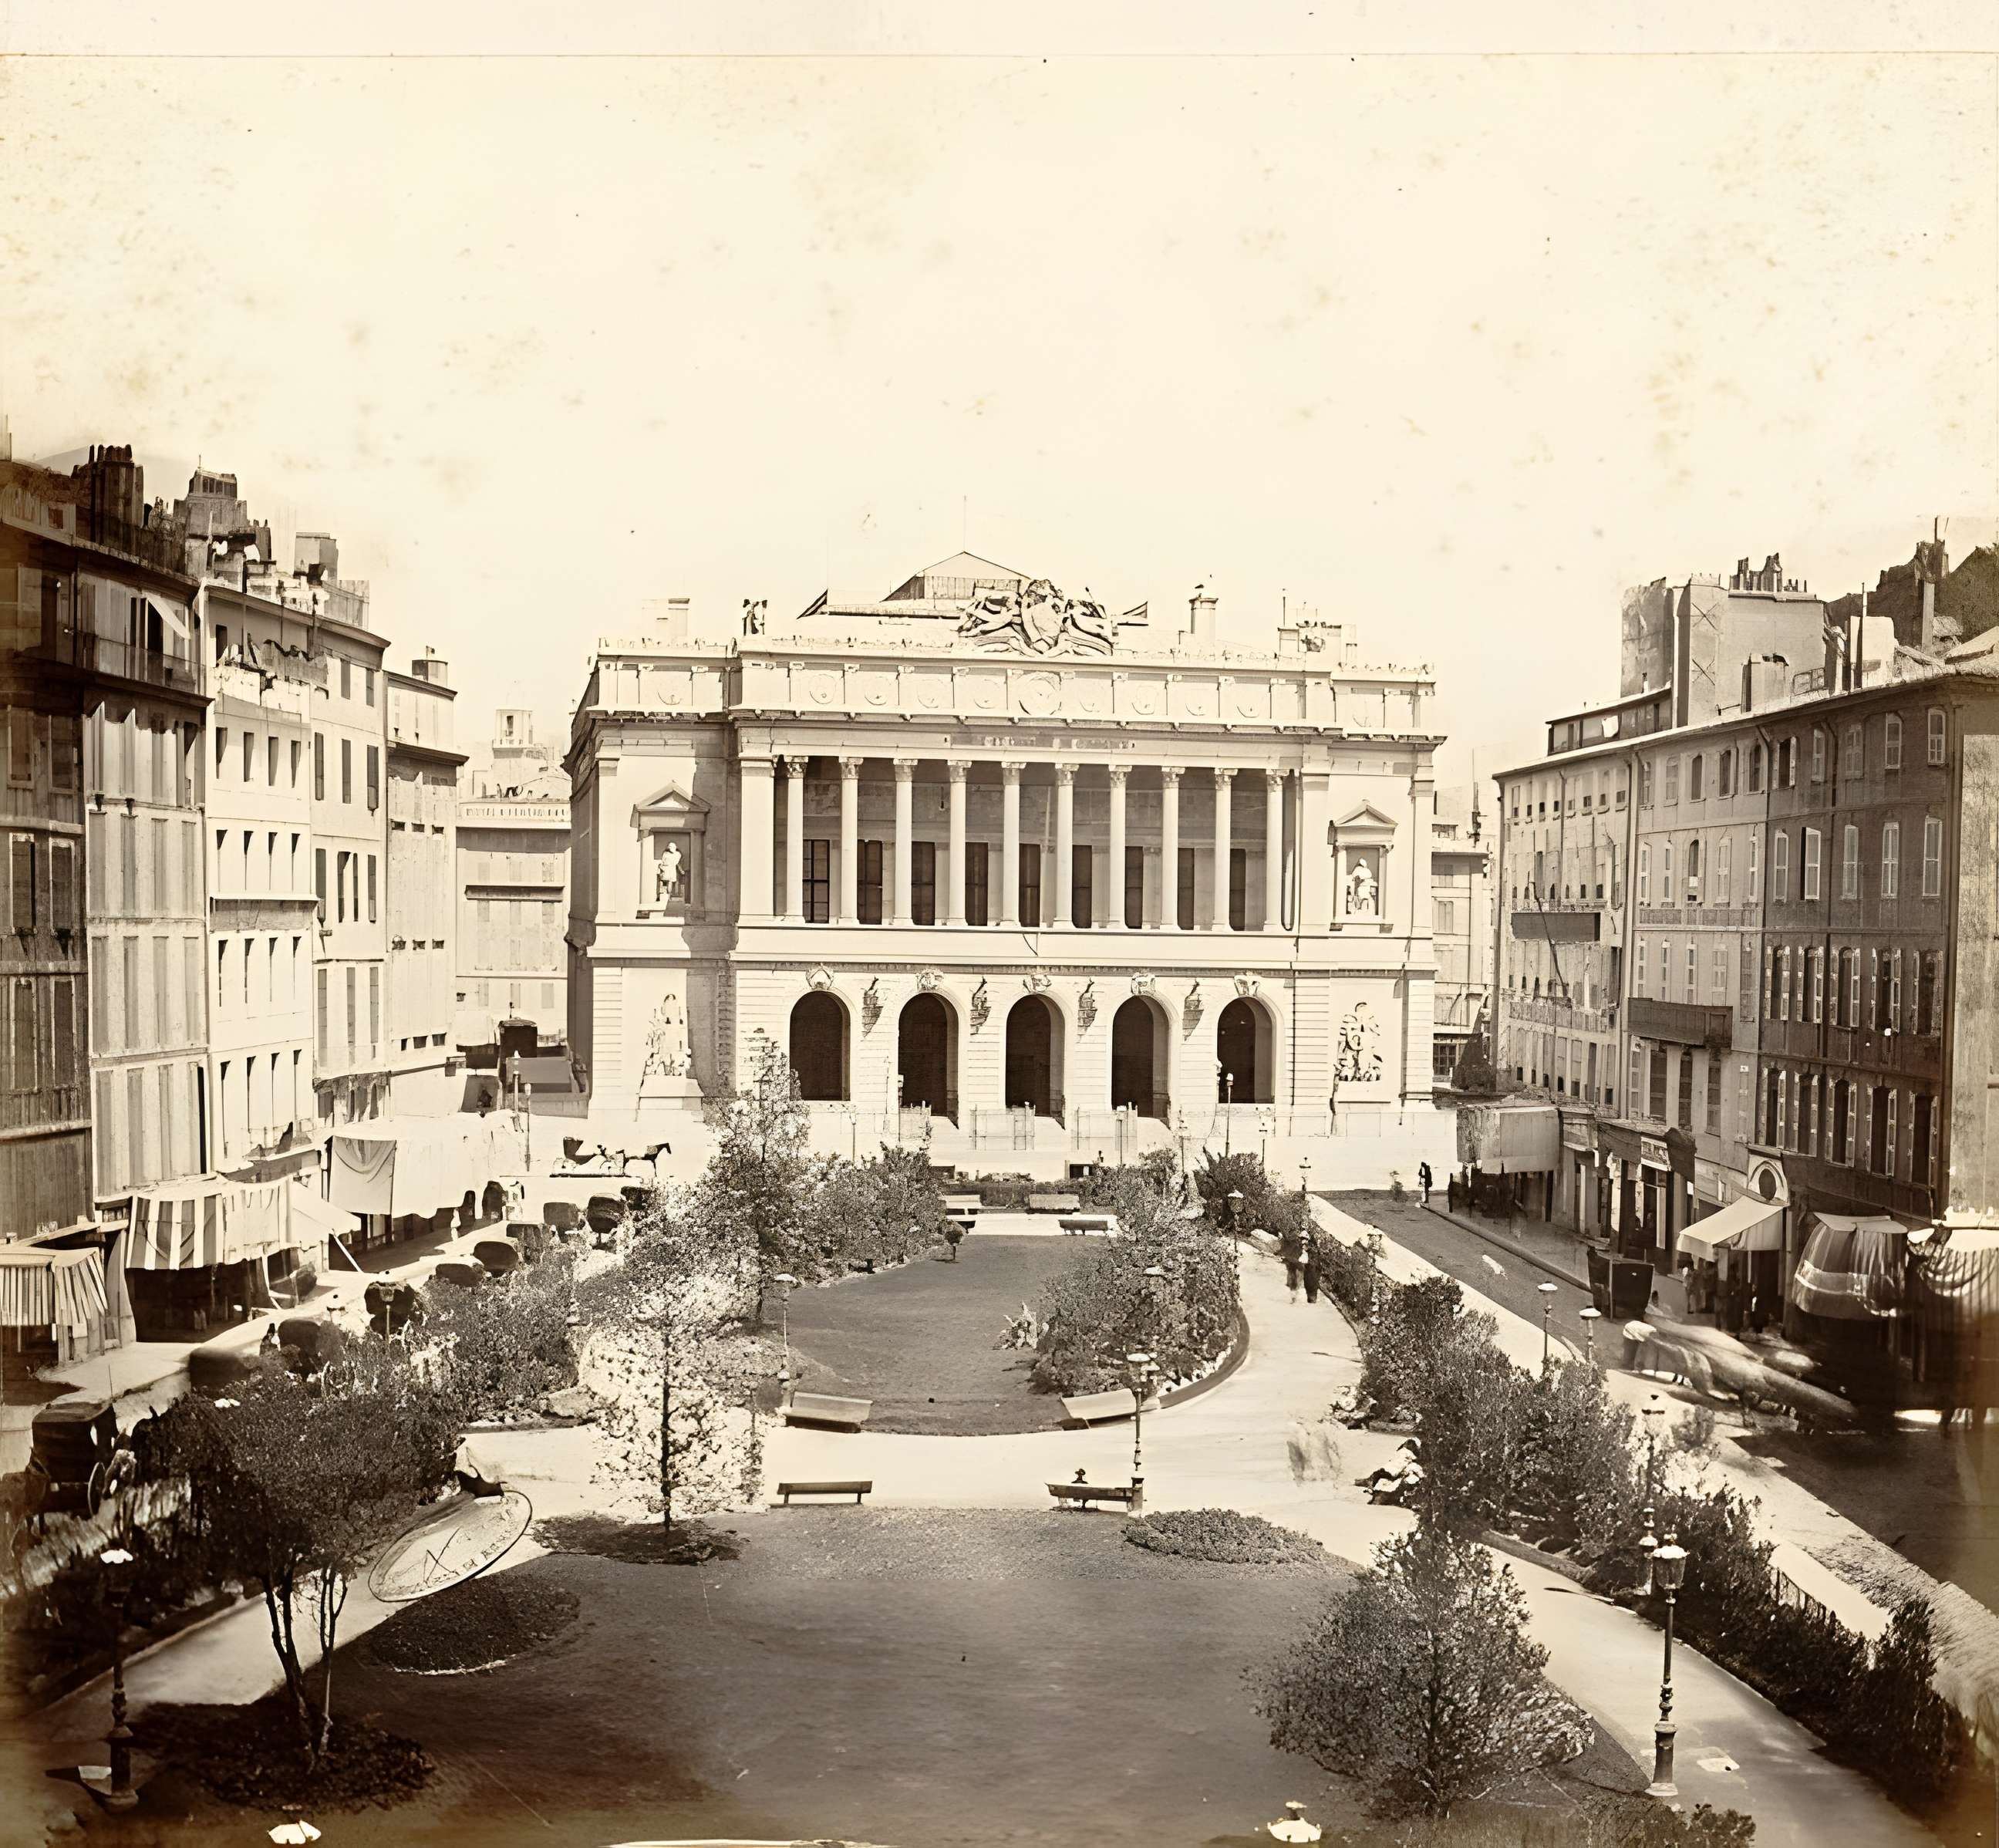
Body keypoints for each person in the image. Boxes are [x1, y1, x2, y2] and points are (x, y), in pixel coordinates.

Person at [1300, 1239, 1322, 1305]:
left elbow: (1309, 1279)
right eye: (1314, 1299)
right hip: (1311, 1269)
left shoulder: (1311, 1290)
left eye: (1313, 1299)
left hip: (1312, 1269)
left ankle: (1312, 1243)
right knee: (1313, 1256)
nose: (1315, 1298)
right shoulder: (1310, 1290)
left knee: (1314, 1256)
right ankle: (1312, 1244)